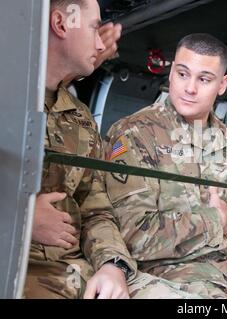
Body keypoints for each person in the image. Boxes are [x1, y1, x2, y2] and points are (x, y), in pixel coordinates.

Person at [104, 33, 227, 299]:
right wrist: (213, 221)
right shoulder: (134, 134)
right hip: (163, 279)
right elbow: (131, 236)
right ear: (172, 71)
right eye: (183, 74)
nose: (190, 88)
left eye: (204, 79)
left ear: (222, 85)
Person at [26, 0, 196, 299]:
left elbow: (95, 209)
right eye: (94, 28)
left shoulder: (80, 119)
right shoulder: (10, 100)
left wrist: (112, 265)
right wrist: (21, 217)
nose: (100, 43)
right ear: (60, 24)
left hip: (78, 270)